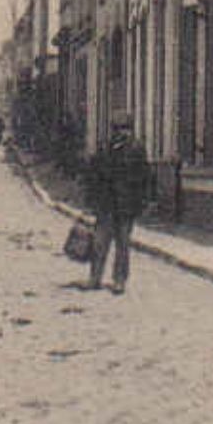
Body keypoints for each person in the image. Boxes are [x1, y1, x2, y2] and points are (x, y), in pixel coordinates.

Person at [84, 112, 150, 294]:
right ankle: (94, 277)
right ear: (112, 131)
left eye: (125, 129)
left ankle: (119, 280)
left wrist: (142, 203)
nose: (122, 133)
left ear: (131, 130)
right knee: (99, 243)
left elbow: (144, 178)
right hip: (105, 205)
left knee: (123, 245)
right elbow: (93, 175)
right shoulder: (104, 149)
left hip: (126, 206)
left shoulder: (137, 149)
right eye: (118, 129)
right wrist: (91, 201)